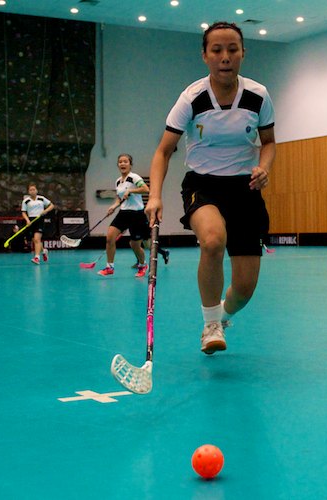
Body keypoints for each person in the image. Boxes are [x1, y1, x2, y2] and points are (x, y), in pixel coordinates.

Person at [145, 22, 275, 355]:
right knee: (213, 240)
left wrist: (265, 167)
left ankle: (223, 314)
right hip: (202, 185)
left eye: (233, 49)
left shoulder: (258, 96)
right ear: (205, 55)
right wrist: (155, 195)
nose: (225, 56)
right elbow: (163, 151)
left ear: (243, 52)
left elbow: (269, 142)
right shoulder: (193, 97)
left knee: (244, 289)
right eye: (216, 50)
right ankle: (210, 324)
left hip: (245, 188)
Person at [97, 153, 170, 277]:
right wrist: (113, 207)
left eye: (125, 161)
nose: (122, 164)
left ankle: (142, 265)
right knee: (110, 237)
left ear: (130, 165)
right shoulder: (118, 181)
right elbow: (119, 198)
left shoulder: (134, 177)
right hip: (123, 213)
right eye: (120, 162)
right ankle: (110, 267)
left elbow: (146, 189)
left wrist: (130, 190)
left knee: (135, 245)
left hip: (137, 215)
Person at [21, 183, 55, 265]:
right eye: (30, 190)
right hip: (31, 221)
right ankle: (44, 251)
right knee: (35, 240)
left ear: (36, 190)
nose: (32, 191)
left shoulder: (41, 199)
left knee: (36, 239)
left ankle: (37, 258)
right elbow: (23, 212)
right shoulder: (26, 201)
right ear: (29, 192)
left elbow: (52, 205)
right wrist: (27, 220)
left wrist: (45, 211)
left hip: (40, 220)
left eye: (33, 189)